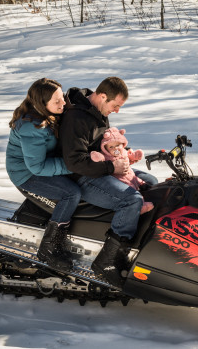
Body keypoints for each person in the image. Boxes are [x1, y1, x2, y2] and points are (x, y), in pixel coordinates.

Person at [60, 76, 157, 287]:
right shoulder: (77, 118)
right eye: (116, 106)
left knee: (152, 182)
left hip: (103, 168)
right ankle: (108, 259)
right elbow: (74, 162)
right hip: (83, 177)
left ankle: (138, 241)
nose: (117, 111)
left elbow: (103, 144)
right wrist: (112, 168)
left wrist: (124, 155)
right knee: (131, 200)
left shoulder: (98, 112)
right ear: (103, 96)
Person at [6, 78, 80, 273]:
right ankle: (49, 247)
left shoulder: (49, 114)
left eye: (62, 97)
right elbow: (37, 167)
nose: (63, 103)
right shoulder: (32, 126)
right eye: (57, 101)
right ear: (42, 103)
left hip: (42, 163)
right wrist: (73, 166)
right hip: (26, 173)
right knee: (71, 193)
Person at [90, 127, 154, 214]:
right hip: (121, 179)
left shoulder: (123, 151)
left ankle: (148, 196)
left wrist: (135, 156)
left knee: (143, 183)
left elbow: (128, 155)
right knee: (131, 190)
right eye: (111, 147)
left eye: (117, 145)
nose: (115, 149)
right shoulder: (107, 156)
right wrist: (97, 156)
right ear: (105, 148)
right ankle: (141, 206)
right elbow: (101, 159)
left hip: (130, 175)